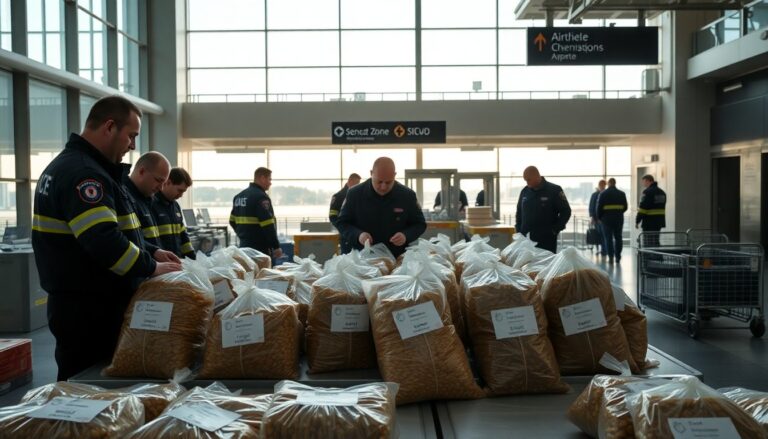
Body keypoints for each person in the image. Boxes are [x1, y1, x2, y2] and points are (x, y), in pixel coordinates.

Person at [31, 96, 181, 381]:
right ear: (110, 127)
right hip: (90, 310)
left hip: (84, 304)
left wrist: (151, 250)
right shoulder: (86, 174)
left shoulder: (82, 167)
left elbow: (111, 229)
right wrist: (151, 267)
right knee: (88, 388)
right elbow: (103, 241)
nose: (133, 145)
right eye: (131, 136)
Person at [336, 157, 426, 258]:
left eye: (388, 182)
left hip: (395, 258)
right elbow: (342, 223)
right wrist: (358, 235)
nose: (383, 187)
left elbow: (420, 224)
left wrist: (405, 235)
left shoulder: (407, 195)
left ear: (395, 175)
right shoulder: (354, 194)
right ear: (371, 174)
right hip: (361, 257)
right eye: (379, 182)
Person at [123, 151, 172, 255]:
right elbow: (125, 240)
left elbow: (140, 240)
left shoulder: (147, 199)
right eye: (158, 180)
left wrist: (155, 251)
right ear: (142, 172)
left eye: (164, 183)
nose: (161, 188)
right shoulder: (124, 197)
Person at [514, 166, 572, 253]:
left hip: (546, 241)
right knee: (527, 262)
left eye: (529, 180)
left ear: (537, 176)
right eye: (525, 180)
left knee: (546, 261)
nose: (527, 183)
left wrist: (555, 230)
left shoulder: (554, 190)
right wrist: (519, 231)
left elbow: (566, 211)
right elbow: (519, 213)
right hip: (526, 241)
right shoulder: (525, 192)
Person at [229, 167, 283, 260]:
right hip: (260, 249)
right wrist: (276, 246)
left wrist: (243, 236)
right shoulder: (261, 197)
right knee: (263, 269)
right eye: (269, 179)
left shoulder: (238, 197)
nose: (270, 183)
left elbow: (232, 221)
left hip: (243, 247)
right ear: (262, 178)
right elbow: (268, 224)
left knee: (247, 268)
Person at [152, 167, 196, 259]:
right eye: (179, 190)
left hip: (176, 260)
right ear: (168, 182)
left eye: (183, 192)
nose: (181, 195)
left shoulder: (175, 206)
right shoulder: (151, 204)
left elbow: (183, 235)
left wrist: (192, 258)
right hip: (160, 262)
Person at [597, 178, 628, 263]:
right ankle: (618, 257)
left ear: (608, 183)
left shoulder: (603, 194)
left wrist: (600, 218)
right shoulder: (622, 194)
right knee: (618, 237)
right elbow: (625, 207)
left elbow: (599, 208)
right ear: (615, 183)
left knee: (608, 238)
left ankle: (610, 257)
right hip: (618, 219)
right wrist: (618, 212)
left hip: (606, 220)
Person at [329, 173, 362, 253]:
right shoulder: (338, 196)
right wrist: (343, 229)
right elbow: (333, 216)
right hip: (346, 235)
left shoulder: (357, 196)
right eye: (356, 183)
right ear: (350, 181)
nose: (358, 185)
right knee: (346, 257)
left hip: (357, 234)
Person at [635, 174, 667, 247]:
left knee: (648, 242)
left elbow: (643, 209)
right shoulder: (662, 193)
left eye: (643, 182)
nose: (643, 184)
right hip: (659, 221)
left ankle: (648, 254)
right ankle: (657, 254)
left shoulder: (647, 192)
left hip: (649, 222)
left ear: (647, 181)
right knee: (655, 241)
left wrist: (637, 220)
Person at [588, 179, 607, 255]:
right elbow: (592, 206)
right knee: (600, 235)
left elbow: (591, 207)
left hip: (601, 219)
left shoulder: (600, 194)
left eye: (604, 185)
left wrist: (592, 217)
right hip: (598, 219)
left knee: (602, 235)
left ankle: (603, 250)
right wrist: (592, 217)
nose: (603, 187)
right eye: (602, 185)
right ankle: (602, 250)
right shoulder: (596, 194)